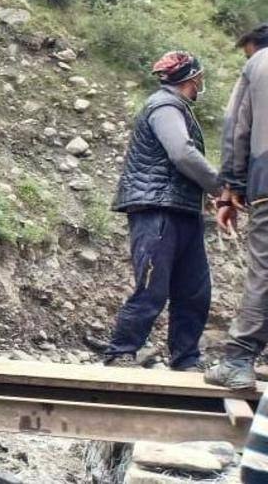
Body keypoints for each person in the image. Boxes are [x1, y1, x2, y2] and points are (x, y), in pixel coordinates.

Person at [102, 52, 220, 371]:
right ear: (193, 78)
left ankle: (186, 358)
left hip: (181, 209)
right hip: (157, 207)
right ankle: (120, 351)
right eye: (199, 78)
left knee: (194, 290)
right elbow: (182, 153)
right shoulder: (165, 106)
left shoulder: (175, 107)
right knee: (153, 286)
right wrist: (219, 187)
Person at [206, 24, 268, 389]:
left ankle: (238, 361)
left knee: (264, 271)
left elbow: (236, 128)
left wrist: (231, 188)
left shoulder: (259, 63)